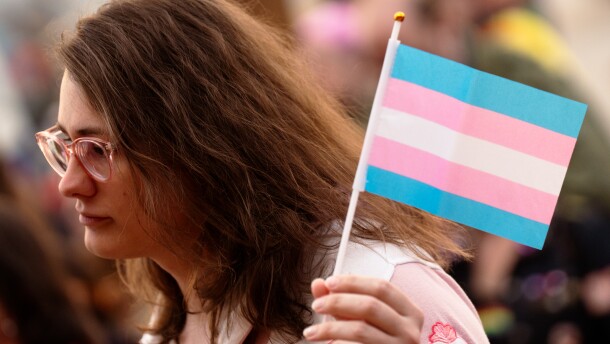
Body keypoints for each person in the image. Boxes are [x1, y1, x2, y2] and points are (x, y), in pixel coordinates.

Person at [35, 0, 489, 342]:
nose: (69, 183)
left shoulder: (375, 291)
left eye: (96, 150)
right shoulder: (174, 316)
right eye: (65, 145)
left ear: (197, 147)